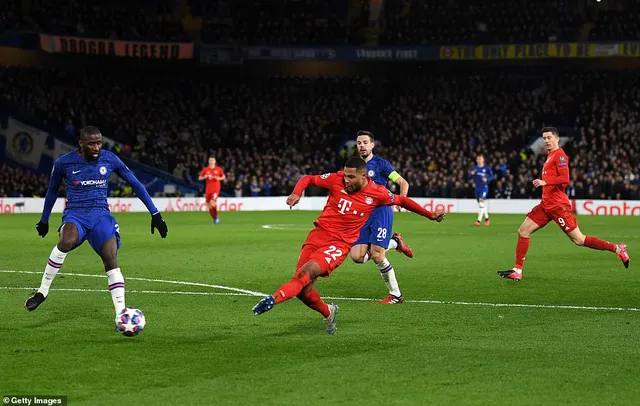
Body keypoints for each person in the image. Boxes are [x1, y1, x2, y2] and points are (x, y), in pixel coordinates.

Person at [252, 157, 446, 334]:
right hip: (317, 236)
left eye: (351, 177)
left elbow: (403, 200)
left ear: (364, 175)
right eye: (345, 176)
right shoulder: (336, 179)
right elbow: (308, 178)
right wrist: (296, 193)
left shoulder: (377, 193)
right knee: (303, 290)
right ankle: (329, 311)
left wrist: (430, 215)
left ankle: (272, 299)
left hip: (339, 244)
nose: (346, 181)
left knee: (307, 272)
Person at [25, 126, 168, 325]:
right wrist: (44, 219)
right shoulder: (63, 162)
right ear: (81, 143)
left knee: (110, 259)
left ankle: (121, 314)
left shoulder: (109, 159)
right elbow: (51, 191)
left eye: (99, 142)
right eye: (91, 143)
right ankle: (42, 291)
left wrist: (155, 214)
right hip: (76, 214)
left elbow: (134, 183)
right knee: (66, 242)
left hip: (101, 215)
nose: (96, 147)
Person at [497, 127, 629, 281]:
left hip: (558, 206)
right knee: (523, 231)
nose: (546, 141)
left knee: (579, 240)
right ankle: (517, 271)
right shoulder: (549, 155)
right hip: (546, 205)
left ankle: (618, 249)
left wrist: (545, 182)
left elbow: (565, 178)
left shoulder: (560, 156)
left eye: (549, 138)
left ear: (557, 138)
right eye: (544, 138)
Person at [350, 130, 413, 304]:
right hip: (363, 214)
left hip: (380, 211)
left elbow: (402, 183)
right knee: (357, 257)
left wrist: (402, 200)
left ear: (372, 145)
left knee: (378, 256)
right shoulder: (353, 166)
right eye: (359, 143)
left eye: (365, 142)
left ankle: (396, 295)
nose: (361, 145)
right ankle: (395, 243)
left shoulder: (382, 165)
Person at [198, 157, 226, 224]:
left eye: (212, 160)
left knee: (212, 202)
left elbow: (223, 177)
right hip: (208, 189)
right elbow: (199, 178)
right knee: (209, 205)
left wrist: (218, 178)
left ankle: (216, 217)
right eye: (210, 160)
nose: (211, 161)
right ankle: (215, 218)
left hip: (215, 189)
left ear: (215, 161)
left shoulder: (218, 169)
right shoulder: (206, 169)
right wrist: (205, 177)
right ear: (208, 161)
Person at [469, 154, 494, 226]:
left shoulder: (487, 168)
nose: (479, 160)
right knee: (481, 205)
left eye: (480, 159)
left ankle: (478, 221)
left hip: (484, 188)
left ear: (483, 160)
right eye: (478, 159)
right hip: (477, 188)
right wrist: (471, 174)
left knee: (481, 203)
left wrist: (487, 179)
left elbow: (492, 177)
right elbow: (469, 178)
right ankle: (487, 218)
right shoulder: (474, 168)